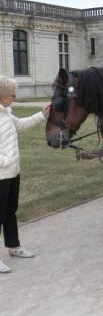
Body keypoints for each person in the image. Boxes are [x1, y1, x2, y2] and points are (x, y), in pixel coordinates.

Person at [0, 76, 50, 273]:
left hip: (13, 172)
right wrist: (4, 161)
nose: (14, 97)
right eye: (12, 95)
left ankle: (13, 247)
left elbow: (20, 124)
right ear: (3, 97)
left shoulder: (6, 113)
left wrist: (42, 115)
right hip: (1, 174)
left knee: (10, 211)